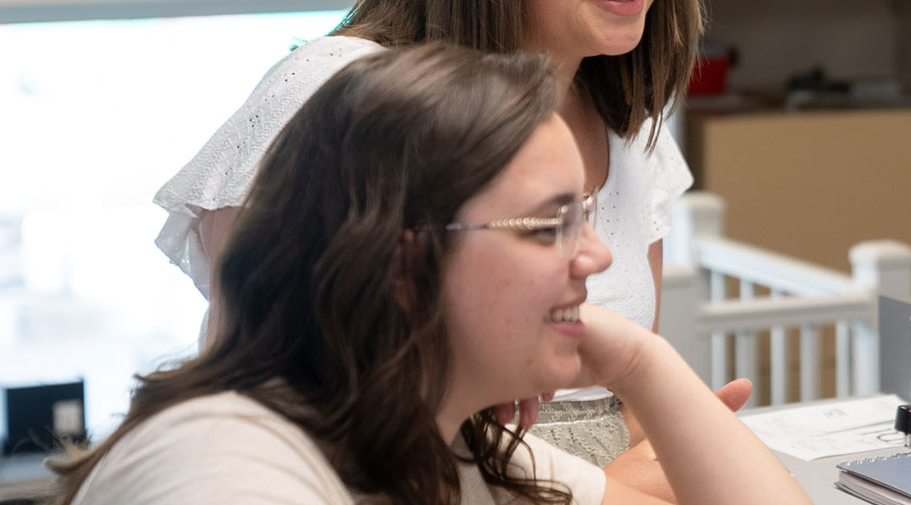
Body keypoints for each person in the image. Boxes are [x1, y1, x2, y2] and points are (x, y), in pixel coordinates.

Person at [153, 0, 703, 464]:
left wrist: (661, 461)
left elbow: (626, 400)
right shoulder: (337, 94)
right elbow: (272, 394)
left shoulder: (626, 113)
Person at [56, 46, 810, 505]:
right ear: (400, 259)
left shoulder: (438, 445)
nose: (598, 256)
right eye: (551, 225)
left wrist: (641, 361)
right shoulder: (223, 463)